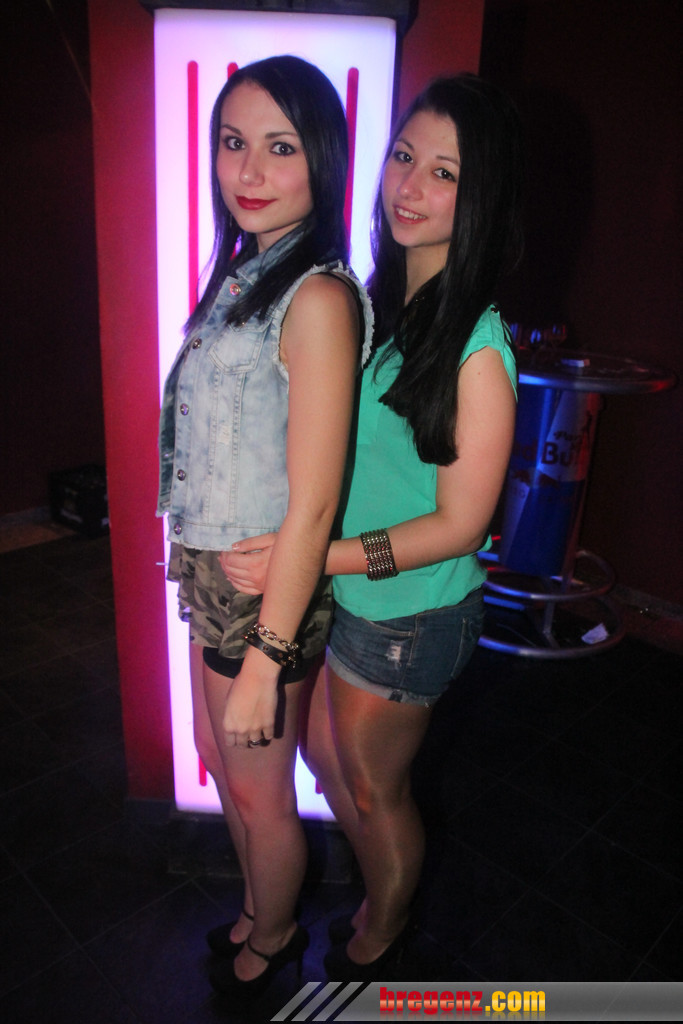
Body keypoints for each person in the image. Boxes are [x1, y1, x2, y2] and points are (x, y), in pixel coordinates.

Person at [222, 72, 523, 980]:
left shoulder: (476, 344)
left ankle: (382, 930)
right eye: (402, 157)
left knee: (372, 787)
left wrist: (317, 558)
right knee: (328, 762)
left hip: (412, 615)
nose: (409, 187)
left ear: (480, 197)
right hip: (356, 594)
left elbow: (462, 525)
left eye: (444, 173)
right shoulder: (382, 303)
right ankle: (379, 890)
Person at [157, 55, 372, 996]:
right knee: (220, 761)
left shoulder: (316, 298)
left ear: (322, 158)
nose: (247, 171)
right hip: (216, 567)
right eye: (232, 142)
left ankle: (275, 937)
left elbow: (315, 500)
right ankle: (256, 906)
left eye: (280, 148)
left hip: (265, 594)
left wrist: (267, 658)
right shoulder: (244, 272)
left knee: (256, 786)